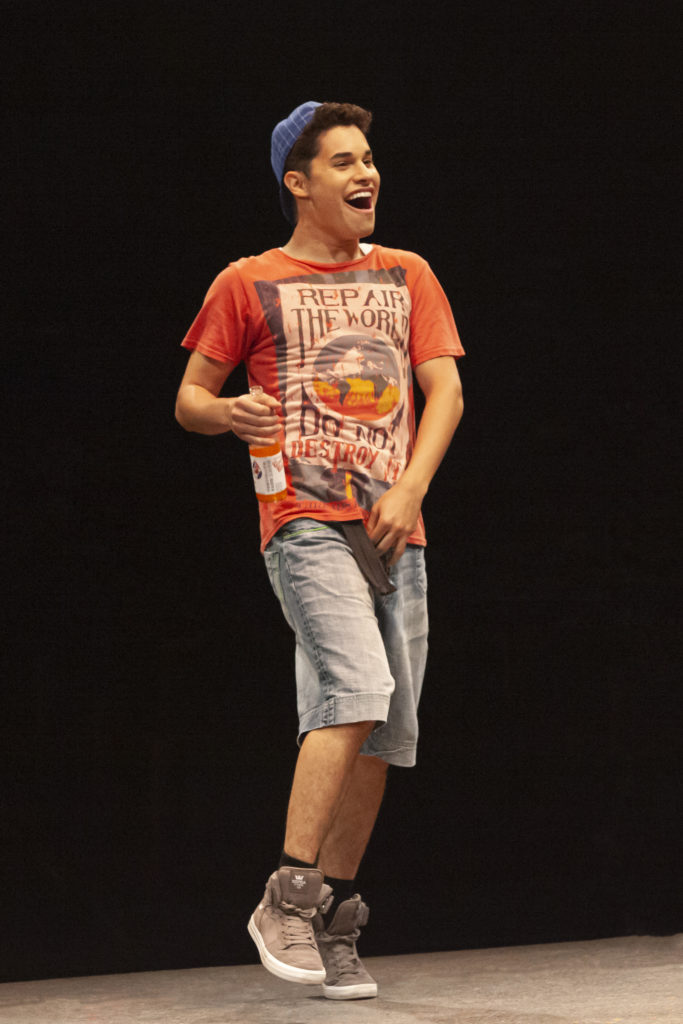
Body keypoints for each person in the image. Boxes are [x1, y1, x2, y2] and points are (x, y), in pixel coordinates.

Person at [175, 101, 464, 1001]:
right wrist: (226, 413)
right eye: (342, 161)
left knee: (385, 731)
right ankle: (286, 895)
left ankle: (333, 917)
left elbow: (444, 387)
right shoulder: (246, 281)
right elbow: (190, 396)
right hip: (304, 519)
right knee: (356, 684)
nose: (364, 173)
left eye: (368, 158)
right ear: (298, 183)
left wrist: (412, 485)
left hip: (395, 524)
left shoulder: (406, 273)